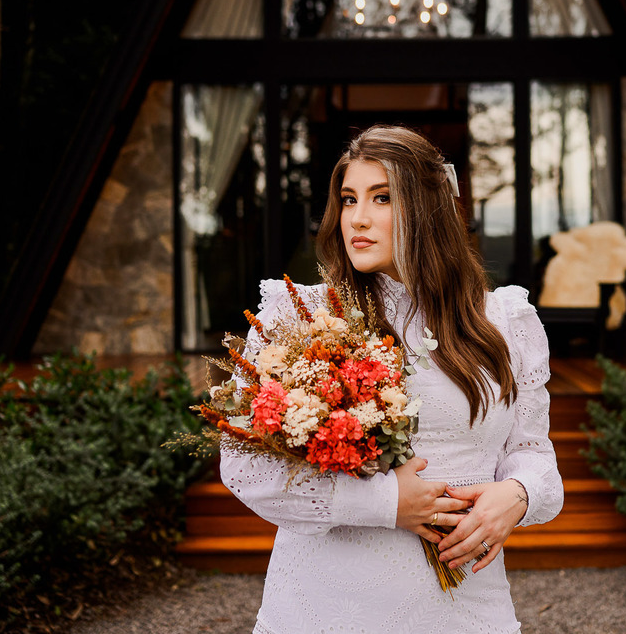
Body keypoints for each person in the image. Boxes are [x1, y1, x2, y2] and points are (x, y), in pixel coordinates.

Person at [219, 125, 563, 633]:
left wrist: (518, 494)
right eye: (349, 199)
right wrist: (385, 503)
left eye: (382, 198)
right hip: (326, 608)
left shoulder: (506, 322)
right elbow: (246, 468)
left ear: (429, 210)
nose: (357, 218)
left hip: (467, 608)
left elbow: (534, 454)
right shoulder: (297, 319)